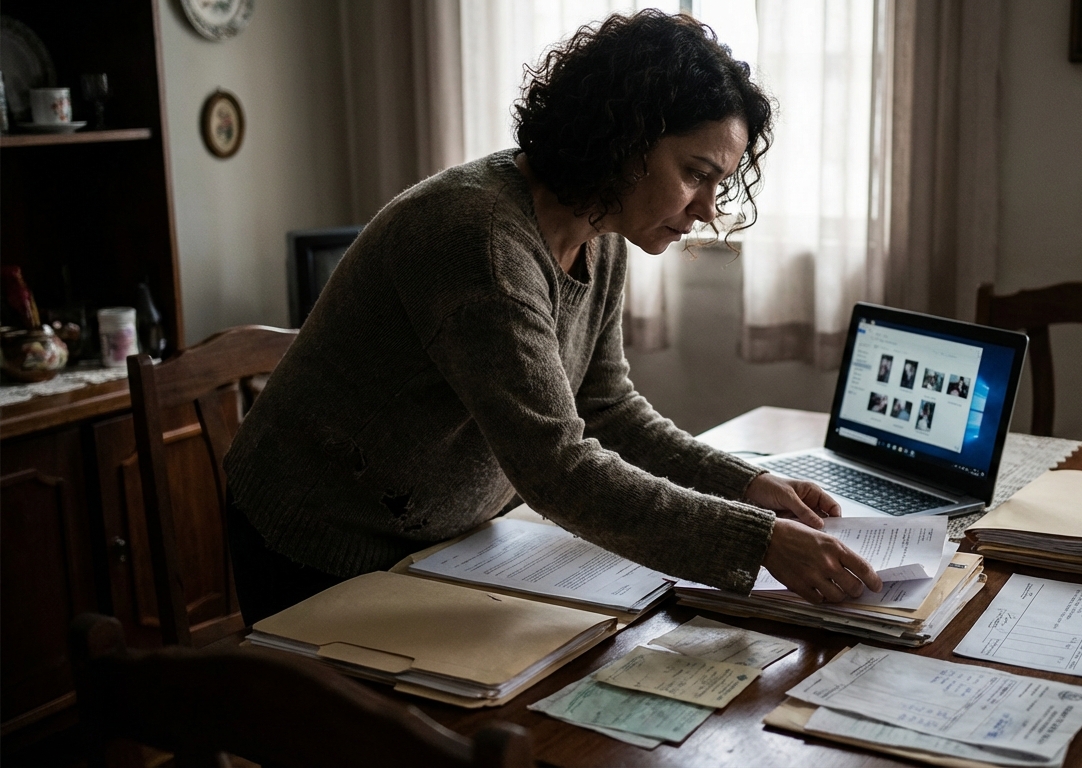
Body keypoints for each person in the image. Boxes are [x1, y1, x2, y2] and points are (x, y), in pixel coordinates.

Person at [223, 9, 882, 626]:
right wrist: (756, 540)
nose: (709, 208)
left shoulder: (600, 231)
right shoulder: (481, 241)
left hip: (441, 537)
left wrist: (745, 482)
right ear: (625, 139)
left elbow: (606, 406)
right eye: (695, 173)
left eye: (721, 183)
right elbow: (556, 467)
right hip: (322, 539)